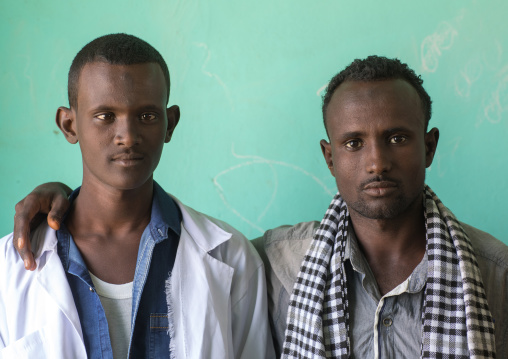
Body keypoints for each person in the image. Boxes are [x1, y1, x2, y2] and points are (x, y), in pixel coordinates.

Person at [11, 56, 508, 358]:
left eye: (397, 138)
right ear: (329, 157)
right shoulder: (279, 263)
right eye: (354, 143)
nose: (376, 161)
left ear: (430, 146)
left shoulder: (494, 275)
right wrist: (63, 196)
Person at [0, 33, 275, 358]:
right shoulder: (9, 270)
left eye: (147, 116)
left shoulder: (232, 257)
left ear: (169, 124)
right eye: (105, 116)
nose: (127, 137)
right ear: (69, 125)